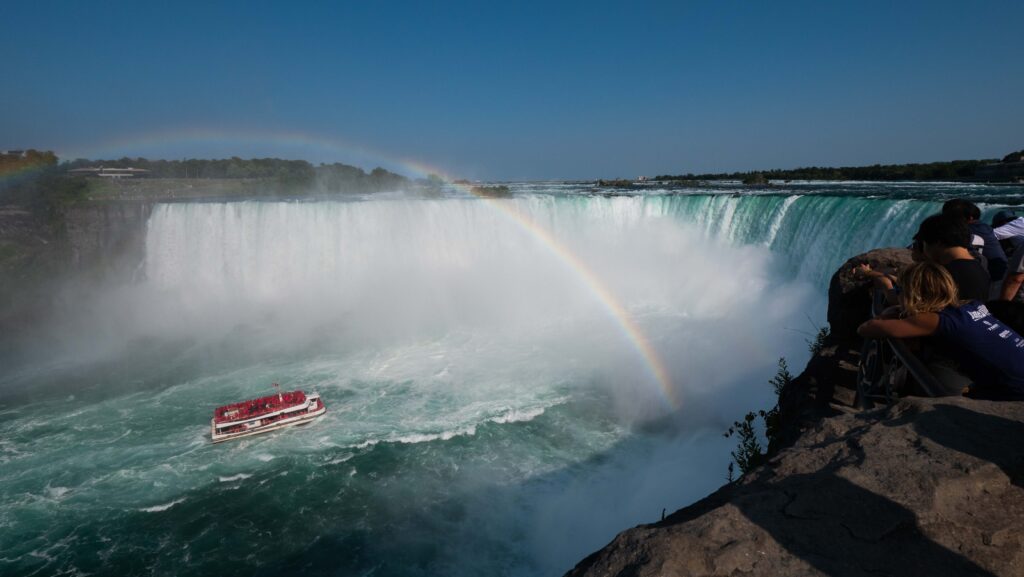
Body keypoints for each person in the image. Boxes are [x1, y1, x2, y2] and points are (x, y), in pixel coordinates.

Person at [857, 262, 1024, 400]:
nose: (898, 295)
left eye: (900, 291)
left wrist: (888, 312)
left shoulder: (935, 320)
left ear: (912, 294)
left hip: (1014, 388)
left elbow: (866, 329)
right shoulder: (972, 305)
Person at [912, 214, 989, 302]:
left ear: (937, 242)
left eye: (924, 244)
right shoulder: (980, 265)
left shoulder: (944, 274)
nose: (924, 250)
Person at [942, 199, 1006, 281]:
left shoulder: (971, 230)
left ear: (970, 218)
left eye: (953, 217)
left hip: (992, 277)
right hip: (998, 273)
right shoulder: (984, 227)